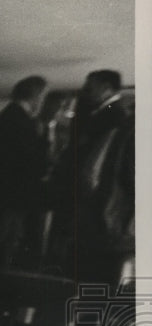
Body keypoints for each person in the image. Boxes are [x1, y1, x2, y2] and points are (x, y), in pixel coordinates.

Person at [48, 70, 134, 284]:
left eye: (91, 86)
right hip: (98, 207)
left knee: (91, 271)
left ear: (106, 87)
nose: (86, 91)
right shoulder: (108, 114)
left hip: (99, 206)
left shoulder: (116, 116)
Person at [0, 75, 49, 272]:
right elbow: (33, 163)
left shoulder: (5, 117)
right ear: (36, 96)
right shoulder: (23, 123)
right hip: (10, 198)